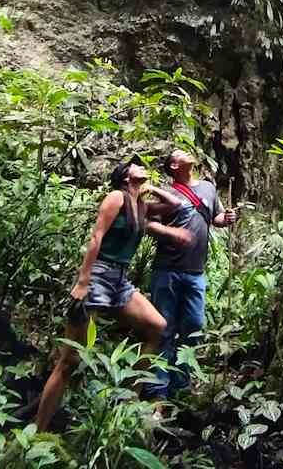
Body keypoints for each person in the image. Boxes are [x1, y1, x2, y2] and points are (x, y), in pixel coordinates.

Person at [34, 154, 193, 431]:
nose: (143, 167)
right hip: (97, 275)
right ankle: (39, 429)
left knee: (157, 326)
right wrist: (83, 282)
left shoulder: (140, 205)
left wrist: (151, 188)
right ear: (125, 176)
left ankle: (126, 401)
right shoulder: (116, 198)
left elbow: (175, 205)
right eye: (136, 166)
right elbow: (96, 236)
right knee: (70, 360)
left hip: (120, 280)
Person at [143, 149, 237, 401]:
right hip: (167, 270)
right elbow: (147, 223)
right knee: (164, 329)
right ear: (174, 166)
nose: (188, 154)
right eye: (180, 154)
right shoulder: (169, 194)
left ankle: (180, 387)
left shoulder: (208, 187)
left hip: (196, 272)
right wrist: (170, 233)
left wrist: (226, 218)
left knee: (194, 327)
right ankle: (157, 391)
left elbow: (215, 217)